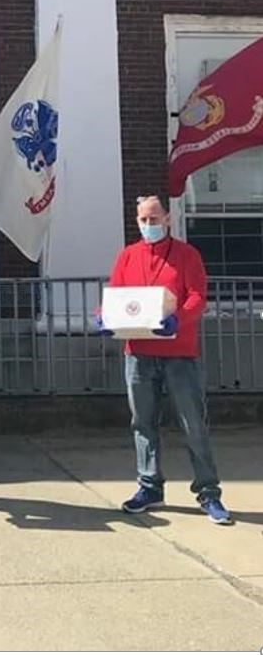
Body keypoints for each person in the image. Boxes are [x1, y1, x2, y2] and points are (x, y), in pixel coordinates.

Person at [99, 195, 232, 525]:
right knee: (143, 424)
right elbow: (116, 293)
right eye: (143, 220)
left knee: (193, 424)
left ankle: (208, 492)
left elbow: (198, 297)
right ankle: (149, 486)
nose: (148, 226)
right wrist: (104, 316)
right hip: (139, 354)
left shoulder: (187, 255)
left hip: (180, 355)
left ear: (168, 219)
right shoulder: (128, 255)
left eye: (154, 219)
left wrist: (179, 320)